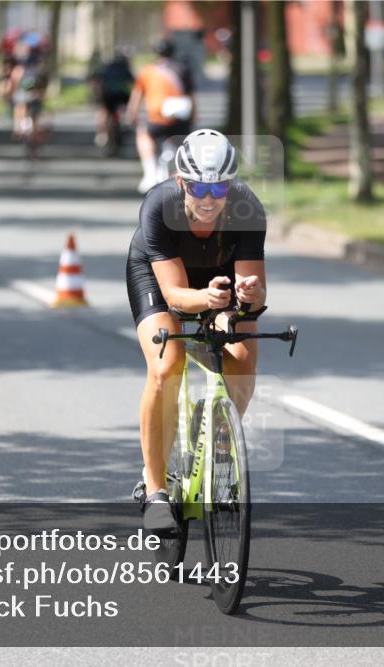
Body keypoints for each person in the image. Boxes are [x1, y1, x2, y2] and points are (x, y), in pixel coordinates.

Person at [125, 129, 266, 532]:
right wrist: (209, 303)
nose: (209, 199)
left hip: (218, 276)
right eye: (199, 188)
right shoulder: (159, 205)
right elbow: (173, 294)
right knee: (167, 364)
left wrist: (247, 295)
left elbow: (255, 296)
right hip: (160, 277)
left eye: (219, 187)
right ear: (182, 182)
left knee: (242, 356)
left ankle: (222, 435)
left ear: (232, 185)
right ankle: (154, 491)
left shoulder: (248, 209)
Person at [126, 39, 196, 193]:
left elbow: (136, 96)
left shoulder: (147, 71)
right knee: (183, 146)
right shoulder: (183, 69)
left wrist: (132, 115)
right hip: (182, 119)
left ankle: (150, 173)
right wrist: (194, 117)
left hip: (158, 119)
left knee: (143, 135)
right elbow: (191, 96)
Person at [9, 32, 49, 152]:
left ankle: (18, 127)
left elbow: (15, 78)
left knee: (20, 105)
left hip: (27, 89)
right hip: (35, 90)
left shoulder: (22, 64)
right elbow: (44, 79)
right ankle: (33, 138)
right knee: (33, 115)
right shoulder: (39, 61)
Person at [91, 47, 134, 148]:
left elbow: (97, 78)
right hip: (122, 96)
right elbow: (132, 82)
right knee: (124, 109)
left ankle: (102, 133)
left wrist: (97, 92)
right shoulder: (125, 68)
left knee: (104, 111)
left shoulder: (107, 66)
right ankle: (126, 122)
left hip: (107, 95)